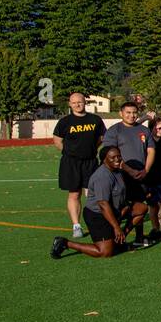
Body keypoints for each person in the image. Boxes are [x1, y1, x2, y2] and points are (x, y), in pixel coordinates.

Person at [50, 147, 146, 260]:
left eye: (119, 156)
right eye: (113, 157)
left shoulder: (117, 171)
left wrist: (126, 206)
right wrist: (116, 227)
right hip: (97, 215)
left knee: (141, 208)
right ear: (104, 159)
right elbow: (103, 204)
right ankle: (65, 243)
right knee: (105, 252)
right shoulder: (102, 177)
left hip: (113, 210)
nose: (117, 159)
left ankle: (119, 241)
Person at [100, 100, 155, 247]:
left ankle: (137, 237)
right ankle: (112, 236)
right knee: (123, 207)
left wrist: (146, 170)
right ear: (121, 113)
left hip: (141, 175)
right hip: (121, 176)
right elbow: (111, 156)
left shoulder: (144, 130)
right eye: (128, 113)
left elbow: (151, 151)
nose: (131, 115)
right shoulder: (114, 130)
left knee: (140, 205)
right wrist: (129, 170)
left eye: (134, 113)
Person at [53, 90, 106, 239]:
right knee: (74, 193)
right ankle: (76, 225)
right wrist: (71, 152)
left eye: (80, 102)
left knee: (92, 193)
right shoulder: (64, 122)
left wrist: (90, 150)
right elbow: (57, 141)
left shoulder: (95, 119)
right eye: (74, 102)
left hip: (90, 162)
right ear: (70, 104)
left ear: (85, 103)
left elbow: (101, 137)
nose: (77, 104)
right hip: (71, 163)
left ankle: (95, 222)